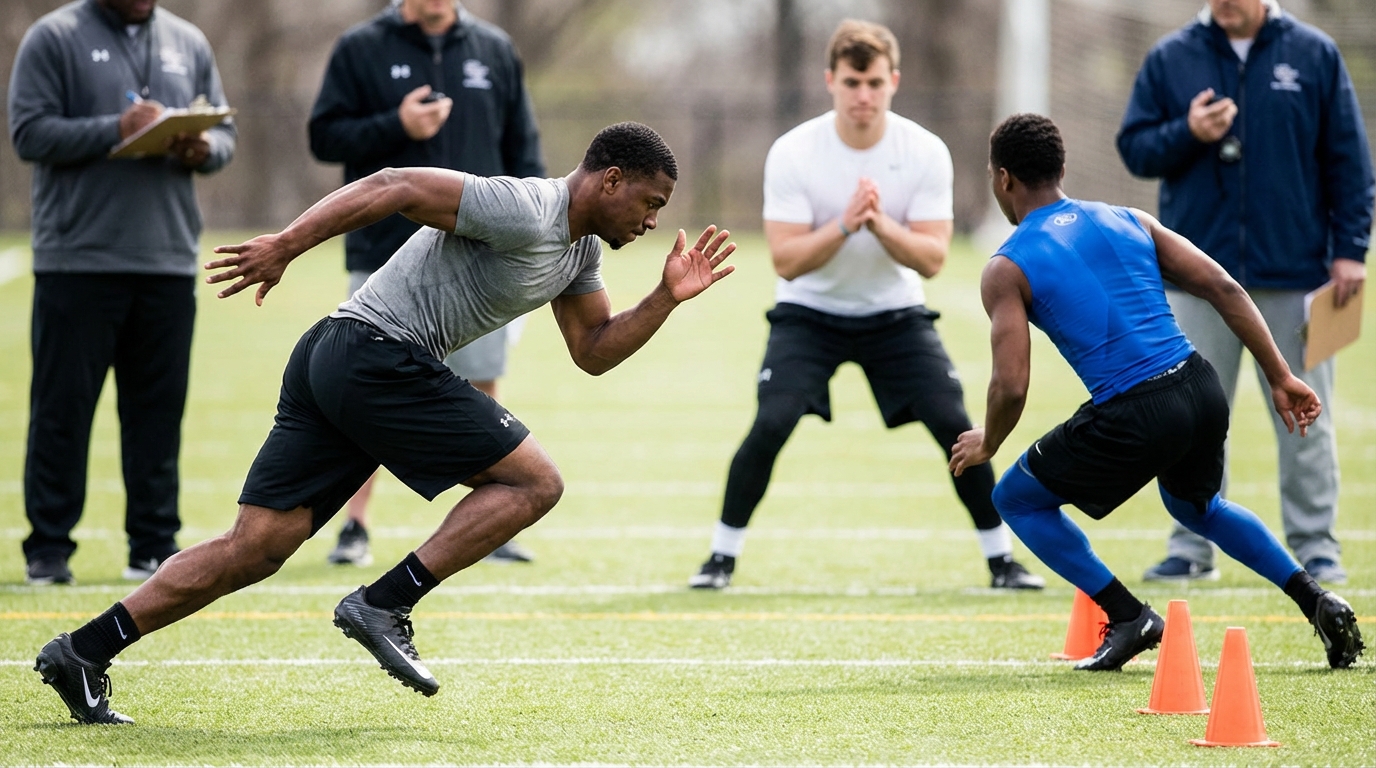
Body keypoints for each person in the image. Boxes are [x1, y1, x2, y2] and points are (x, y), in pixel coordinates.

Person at [33, 122, 735, 725]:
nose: (650, 222)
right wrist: (287, 243)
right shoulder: (527, 208)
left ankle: (84, 650)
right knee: (534, 483)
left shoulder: (576, 253)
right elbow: (394, 183)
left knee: (258, 546)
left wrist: (666, 298)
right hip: (374, 355)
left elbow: (593, 350)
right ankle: (384, 603)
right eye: (649, 204)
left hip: (335, 357)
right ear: (610, 180)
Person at [950, 113, 1363, 672]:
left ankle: (1126, 616)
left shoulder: (1007, 264)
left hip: (1137, 409)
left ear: (1003, 180)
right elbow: (1224, 286)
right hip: (1198, 384)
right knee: (1200, 507)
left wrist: (988, 441)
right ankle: (1318, 599)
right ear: (1062, 167)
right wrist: (1280, 375)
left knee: (1015, 498)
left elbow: (1011, 383)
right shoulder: (1129, 219)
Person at [688, 19, 1042, 591]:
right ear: (830, 80)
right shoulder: (794, 151)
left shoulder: (923, 150)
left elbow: (930, 259)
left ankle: (1002, 559)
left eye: (875, 82)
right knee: (771, 421)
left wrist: (877, 224)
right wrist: (846, 224)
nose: (863, 95)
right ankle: (720, 559)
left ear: (893, 81)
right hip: (808, 314)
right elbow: (786, 260)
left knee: (954, 423)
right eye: (852, 82)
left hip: (895, 315)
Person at [1116, 0, 1373, 585]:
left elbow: (1349, 159)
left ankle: (1316, 548)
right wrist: (1188, 132)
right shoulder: (1170, 56)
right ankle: (1190, 546)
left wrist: (1350, 250)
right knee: (1191, 417)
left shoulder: (1314, 54)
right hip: (1197, 278)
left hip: (1296, 274)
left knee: (1308, 415)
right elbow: (1134, 147)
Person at [309, 0, 546, 567]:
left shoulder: (493, 49)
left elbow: (524, 153)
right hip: (386, 251)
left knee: (483, 381)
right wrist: (396, 126)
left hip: (480, 260)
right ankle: (355, 527)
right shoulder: (361, 47)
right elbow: (325, 138)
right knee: (369, 390)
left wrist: (533, 235)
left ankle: (492, 520)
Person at [8, 0, 236, 585]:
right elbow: (29, 132)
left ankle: (153, 545)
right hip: (77, 260)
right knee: (63, 409)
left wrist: (202, 148)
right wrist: (117, 129)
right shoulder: (53, 36)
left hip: (166, 259)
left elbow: (225, 133)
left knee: (157, 412)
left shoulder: (188, 41)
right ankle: (49, 549)